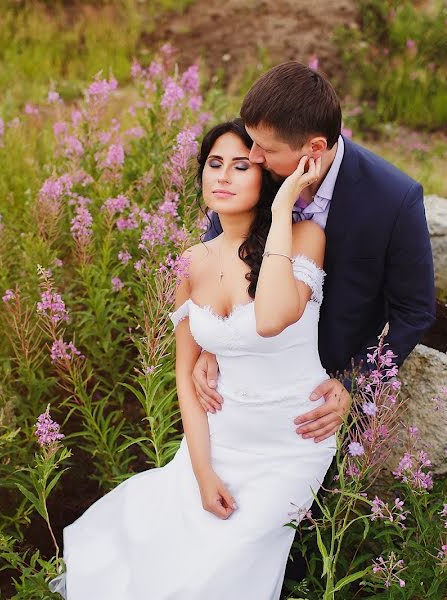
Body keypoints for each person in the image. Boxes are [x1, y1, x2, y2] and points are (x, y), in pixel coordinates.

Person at [48, 118, 338, 599]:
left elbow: (270, 319)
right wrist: (203, 473)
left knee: (229, 558)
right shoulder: (190, 262)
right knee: (165, 559)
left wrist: (285, 203)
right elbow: (186, 373)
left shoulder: (304, 237)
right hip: (218, 439)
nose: (222, 176)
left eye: (241, 166)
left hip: (291, 442)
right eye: (214, 164)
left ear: (266, 175)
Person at [195, 61, 436, 446]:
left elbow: (415, 309)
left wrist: (353, 384)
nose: (252, 156)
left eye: (266, 148)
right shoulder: (262, 172)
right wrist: (212, 344)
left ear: (315, 148)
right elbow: (220, 257)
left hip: (320, 398)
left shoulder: (394, 199)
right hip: (244, 384)